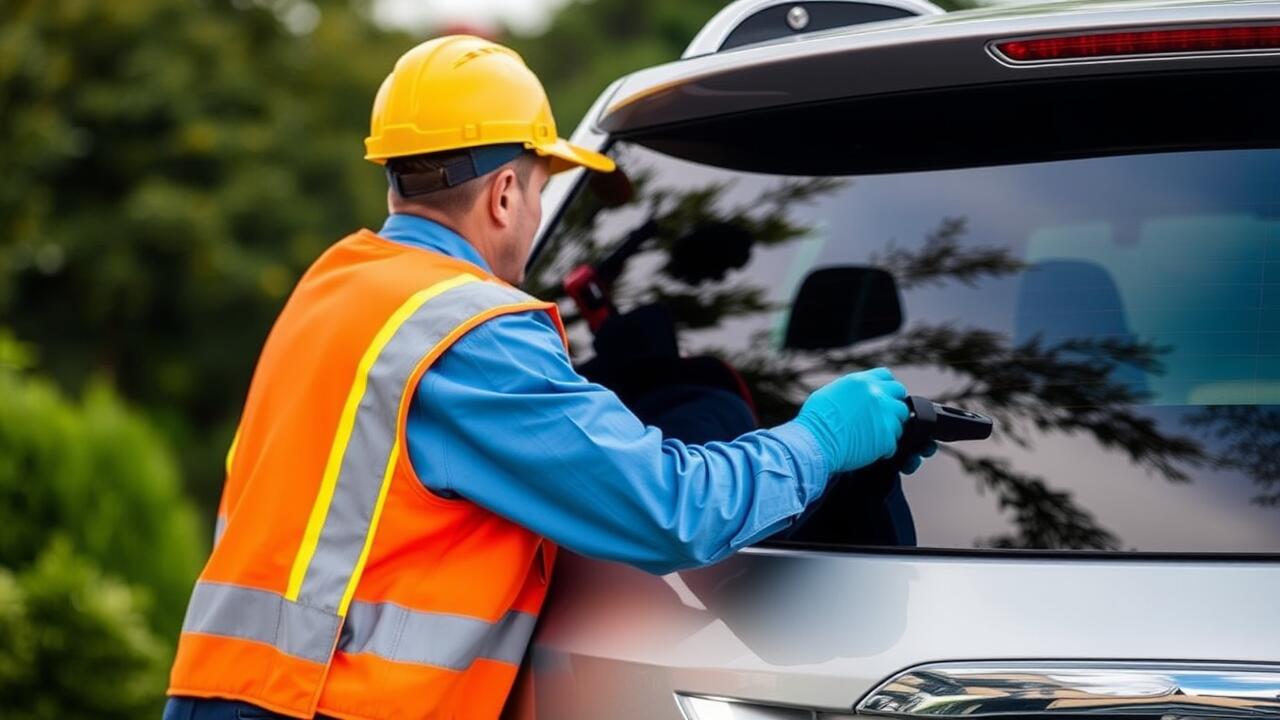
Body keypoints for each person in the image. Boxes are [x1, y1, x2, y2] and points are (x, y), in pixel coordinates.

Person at [163, 35, 932, 720]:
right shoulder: (472, 331)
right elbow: (671, 511)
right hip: (334, 706)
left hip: (225, 687)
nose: (533, 216)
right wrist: (819, 441)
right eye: (536, 190)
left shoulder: (334, 290)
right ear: (503, 194)